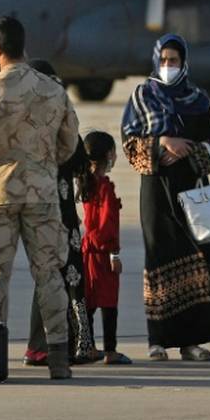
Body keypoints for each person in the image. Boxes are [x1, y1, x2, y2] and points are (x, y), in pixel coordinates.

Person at [0, 16, 81, 380]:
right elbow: (69, 142)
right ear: (24, 47)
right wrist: (41, 165)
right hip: (41, 193)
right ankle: (58, 356)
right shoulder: (53, 90)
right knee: (50, 275)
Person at [120, 34, 210, 361]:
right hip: (156, 188)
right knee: (159, 257)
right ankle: (158, 340)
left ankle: (192, 341)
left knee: (197, 257)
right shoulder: (143, 95)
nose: (168, 66)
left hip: (192, 187)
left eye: (174, 61)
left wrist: (188, 149)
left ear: (184, 63)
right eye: (164, 60)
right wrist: (161, 143)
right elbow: (129, 142)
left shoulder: (198, 99)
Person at [23, 59, 95, 367]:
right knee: (63, 277)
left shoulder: (29, 120)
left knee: (54, 277)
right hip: (57, 212)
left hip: (45, 209)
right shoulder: (55, 118)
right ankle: (62, 346)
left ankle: (48, 346)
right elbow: (78, 159)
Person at [81, 130, 131, 365]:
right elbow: (108, 226)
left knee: (90, 301)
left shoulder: (84, 182)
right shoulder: (105, 188)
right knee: (109, 303)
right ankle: (110, 350)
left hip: (87, 251)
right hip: (102, 252)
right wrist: (114, 254)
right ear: (109, 155)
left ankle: (88, 346)